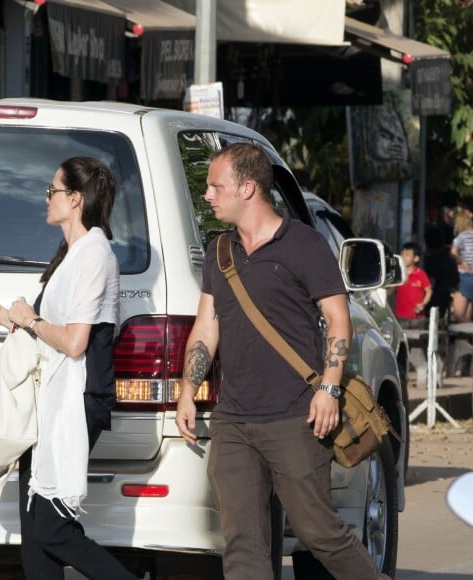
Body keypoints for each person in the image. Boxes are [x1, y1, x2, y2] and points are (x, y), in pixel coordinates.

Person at [175, 143, 387, 580]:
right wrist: (187, 392)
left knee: (317, 532)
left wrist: (328, 389)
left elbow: (337, 320)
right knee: (242, 543)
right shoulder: (220, 252)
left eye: (216, 186)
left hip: (295, 416)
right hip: (233, 420)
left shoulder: (305, 245)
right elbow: (206, 327)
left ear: (248, 187)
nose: (208, 196)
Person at [0, 157, 136, 580]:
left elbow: (74, 343)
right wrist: (4, 315)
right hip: (49, 403)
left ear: (75, 199)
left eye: (52, 190)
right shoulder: (72, 255)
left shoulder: (95, 254)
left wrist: (29, 320)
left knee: (52, 530)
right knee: (36, 537)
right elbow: (47, 334)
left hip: (73, 403)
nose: (47, 197)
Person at [451, 207, 473, 322]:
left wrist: (461, 261)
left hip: (463, 274)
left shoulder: (461, 237)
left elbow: (453, 252)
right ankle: (472, 333)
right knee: (467, 313)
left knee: (459, 314)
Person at [423, 227, 459, 321]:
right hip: (447, 293)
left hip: (435, 294)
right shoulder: (449, 257)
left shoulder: (432, 260)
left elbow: (431, 281)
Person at [394, 241, 433, 328]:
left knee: (417, 340)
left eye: (407, 255)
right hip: (400, 316)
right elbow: (390, 290)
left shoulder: (420, 274)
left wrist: (423, 304)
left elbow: (429, 291)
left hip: (417, 317)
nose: (404, 257)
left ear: (416, 258)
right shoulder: (397, 274)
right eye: (402, 254)